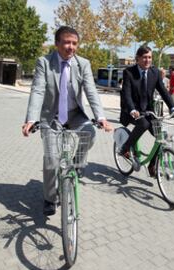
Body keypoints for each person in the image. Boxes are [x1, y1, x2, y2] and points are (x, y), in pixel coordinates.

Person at [22, 26, 112, 216]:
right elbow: (38, 90)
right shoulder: (44, 63)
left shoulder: (83, 64)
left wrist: (101, 116)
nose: (70, 47)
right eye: (66, 42)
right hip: (51, 117)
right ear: (57, 44)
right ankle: (49, 198)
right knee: (52, 159)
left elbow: (91, 90)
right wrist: (31, 118)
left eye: (74, 43)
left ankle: (78, 164)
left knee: (90, 133)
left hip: (75, 114)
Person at [119, 45, 174, 177]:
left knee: (160, 136)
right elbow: (126, 94)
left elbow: (163, 91)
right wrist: (132, 109)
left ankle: (151, 165)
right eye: (144, 57)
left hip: (148, 111)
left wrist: (173, 107)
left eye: (149, 57)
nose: (147, 60)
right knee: (143, 124)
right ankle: (125, 147)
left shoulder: (154, 72)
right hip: (132, 110)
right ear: (137, 59)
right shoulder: (129, 72)